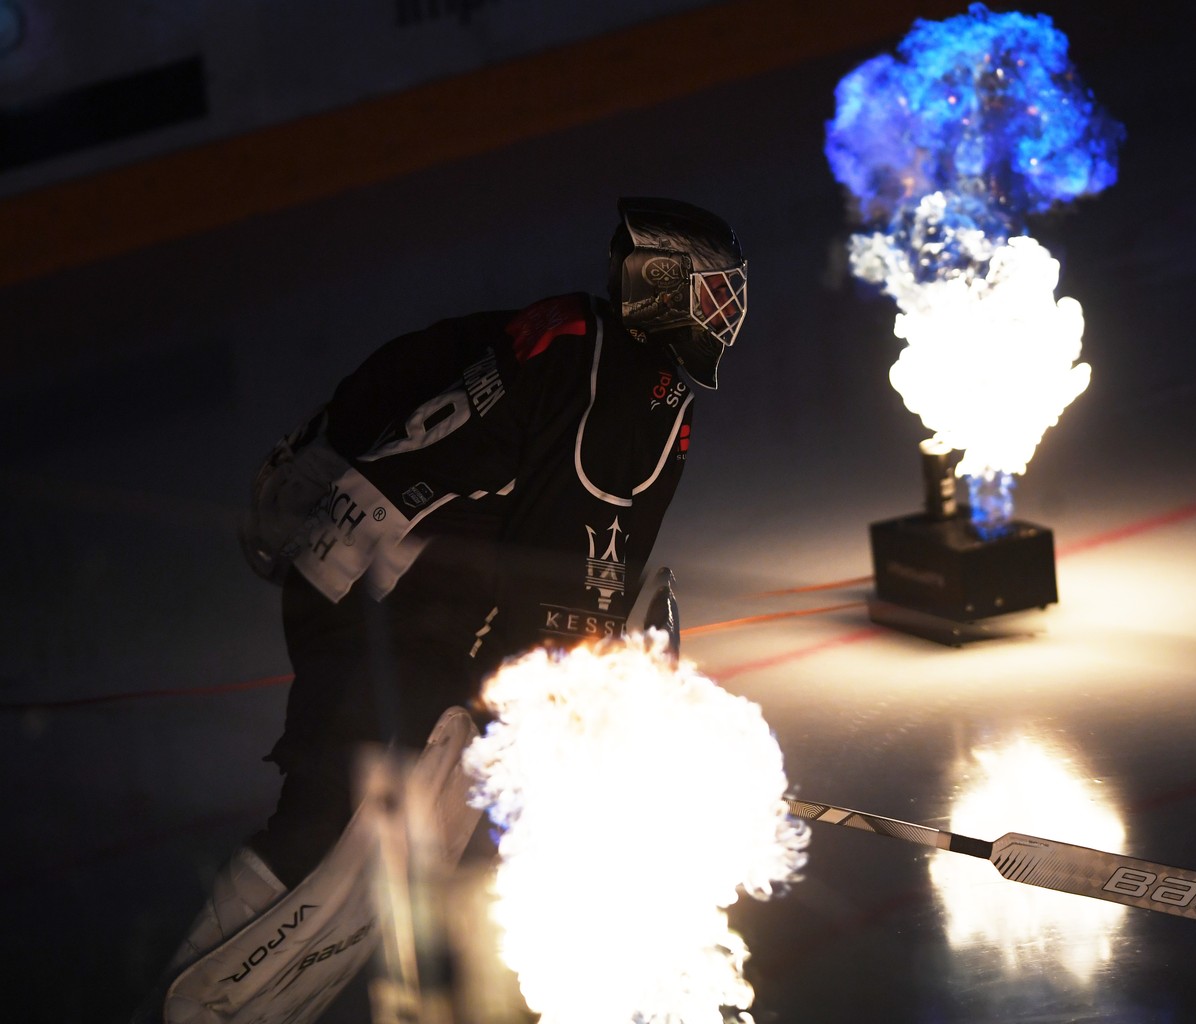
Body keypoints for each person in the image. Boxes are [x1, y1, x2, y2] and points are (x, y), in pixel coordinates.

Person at [135, 197, 747, 1023]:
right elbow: (573, 564)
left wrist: (326, 446)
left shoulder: (570, 328)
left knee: (409, 821)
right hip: (394, 606)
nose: (730, 312)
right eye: (713, 292)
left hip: (357, 578)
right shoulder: (632, 387)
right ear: (659, 288)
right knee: (343, 820)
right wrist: (561, 703)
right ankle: (197, 1006)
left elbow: (417, 362)